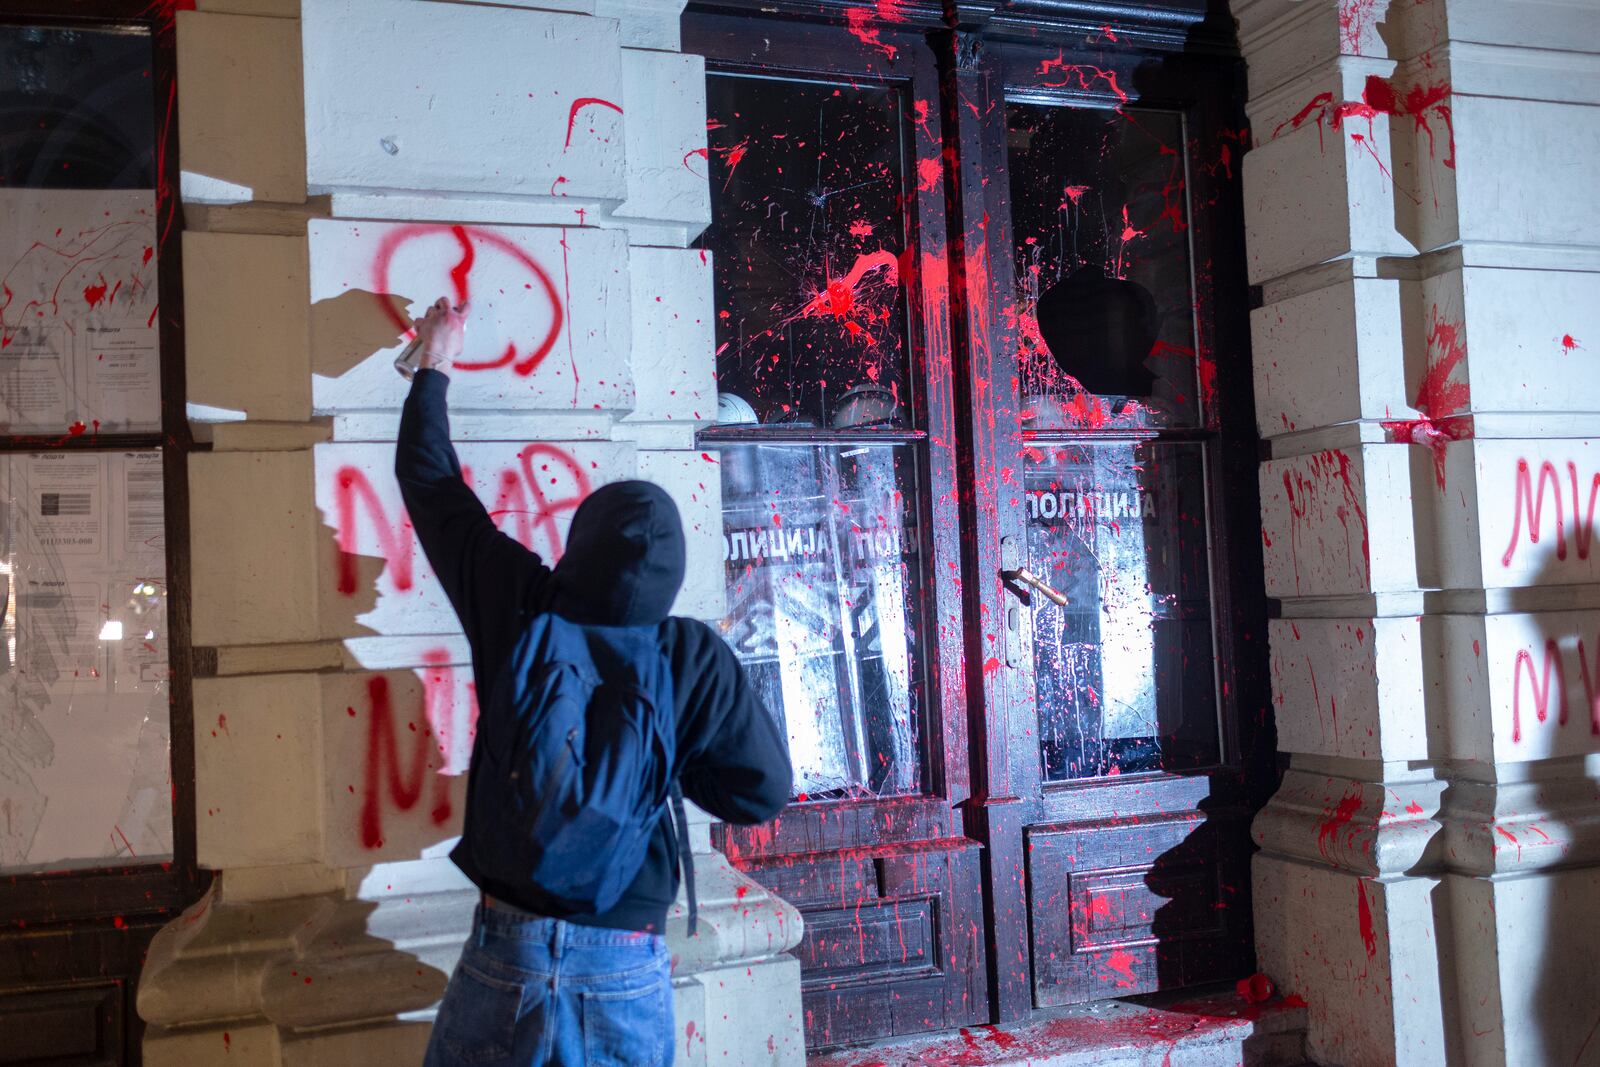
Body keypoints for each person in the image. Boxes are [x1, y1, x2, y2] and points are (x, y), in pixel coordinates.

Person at [396, 298, 793, 1067]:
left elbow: (431, 484)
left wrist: (436, 361)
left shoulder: (519, 603)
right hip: (624, 955)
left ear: (580, 539)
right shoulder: (691, 655)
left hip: (505, 945)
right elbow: (762, 790)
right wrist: (666, 764)